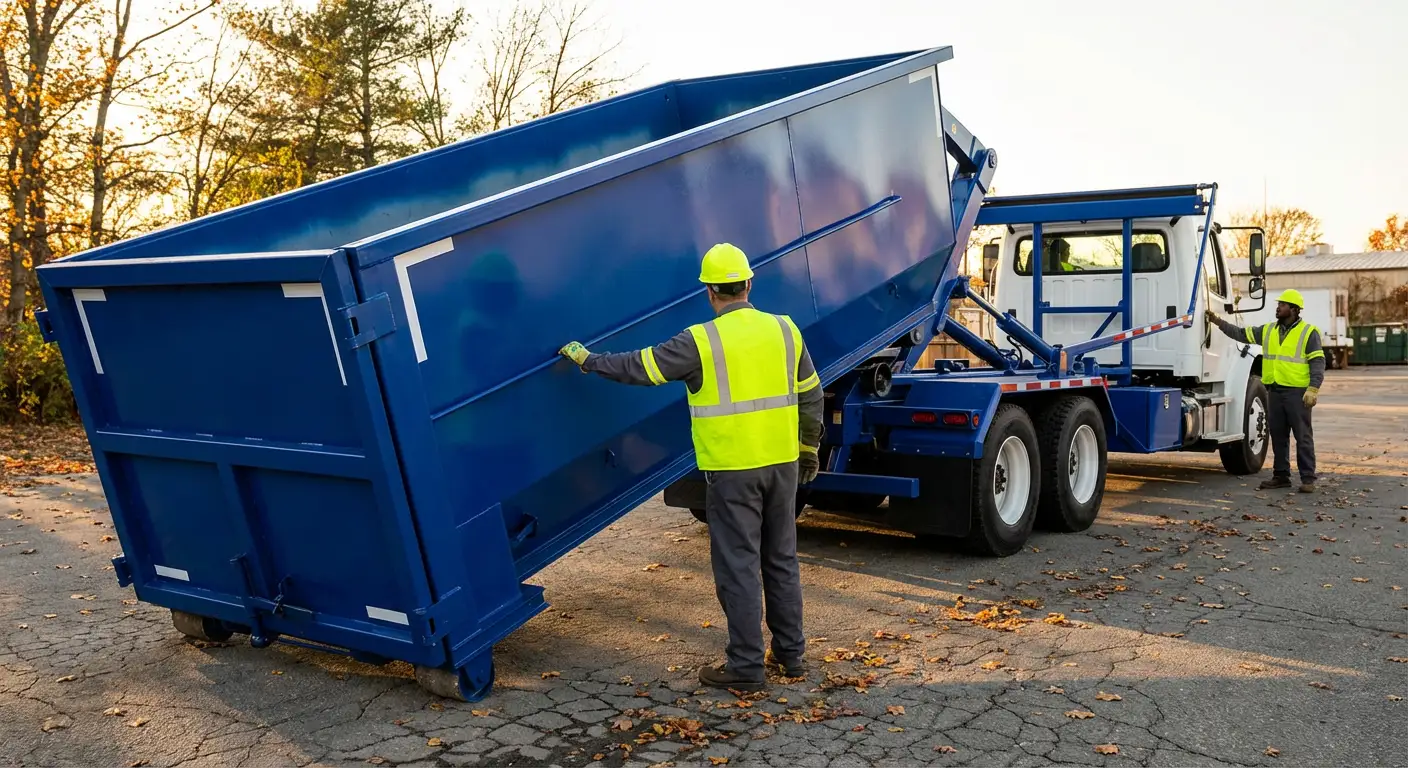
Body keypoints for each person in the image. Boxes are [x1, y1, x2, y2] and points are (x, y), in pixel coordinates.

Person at [557, 242, 824, 691]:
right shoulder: (785, 330)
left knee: (738, 566)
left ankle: (745, 667)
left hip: (733, 471)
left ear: (709, 292)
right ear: (748, 284)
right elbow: (812, 394)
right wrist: (809, 449)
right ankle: (791, 655)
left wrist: (589, 361)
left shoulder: (700, 341)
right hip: (782, 467)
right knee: (781, 559)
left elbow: (639, 367)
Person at [1205, 288, 1324, 492]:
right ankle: (1281, 476)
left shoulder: (1308, 332)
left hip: (1297, 393)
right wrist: (1217, 322)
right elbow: (1241, 334)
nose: (1278, 308)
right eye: (1278, 304)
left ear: (1294, 309)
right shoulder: (1268, 330)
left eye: (1282, 305)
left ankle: (1307, 479)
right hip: (1275, 392)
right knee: (1278, 436)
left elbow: (1318, 362)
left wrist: (1313, 388)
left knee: (1302, 436)